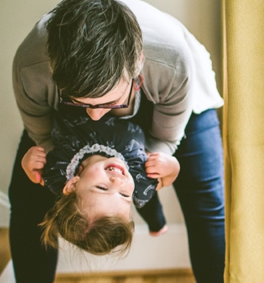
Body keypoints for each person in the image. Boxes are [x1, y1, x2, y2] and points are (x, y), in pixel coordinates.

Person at [0, 0, 255, 283]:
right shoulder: (32, 63)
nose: (96, 115)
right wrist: (44, 166)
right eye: (83, 103)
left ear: (136, 70)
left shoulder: (170, 58)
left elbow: (165, 139)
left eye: (107, 103)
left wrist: (162, 166)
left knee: (207, 207)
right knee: (25, 200)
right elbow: (43, 134)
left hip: (174, 109)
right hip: (69, 126)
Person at [21, 103, 180, 256]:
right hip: (131, 115)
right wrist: (172, 167)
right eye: (124, 195)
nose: (118, 182)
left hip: (79, 107)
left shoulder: (58, 171)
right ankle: (157, 224)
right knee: (145, 197)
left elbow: (38, 177)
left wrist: (28, 164)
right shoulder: (139, 180)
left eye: (102, 188)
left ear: (72, 184)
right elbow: (165, 181)